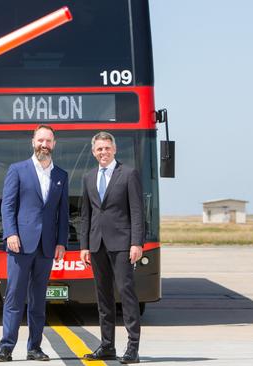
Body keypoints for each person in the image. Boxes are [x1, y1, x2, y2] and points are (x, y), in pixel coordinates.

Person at [0, 125, 68, 362]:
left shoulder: (61, 176)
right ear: (32, 142)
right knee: (14, 297)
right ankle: (6, 347)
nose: (44, 145)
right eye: (40, 140)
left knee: (38, 301)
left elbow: (62, 214)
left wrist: (61, 243)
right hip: (20, 246)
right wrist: (11, 233)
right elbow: (8, 206)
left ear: (54, 144)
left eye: (48, 141)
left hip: (46, 248)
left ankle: (34, 347)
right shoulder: (17, 170)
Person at [79, 131, 144, 364]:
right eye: (99, 149)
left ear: (114, 149)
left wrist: (137, 242)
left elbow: (137, 211)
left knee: (126, 294)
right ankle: (107, 346)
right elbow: (86, 215)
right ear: (93, 152)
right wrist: (84, 245)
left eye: (107, 148)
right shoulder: (88, 177)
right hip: (97, 245)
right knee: (103, 297)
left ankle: (132, 348)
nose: (103, 152)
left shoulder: (128, 174)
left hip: (122, 245)